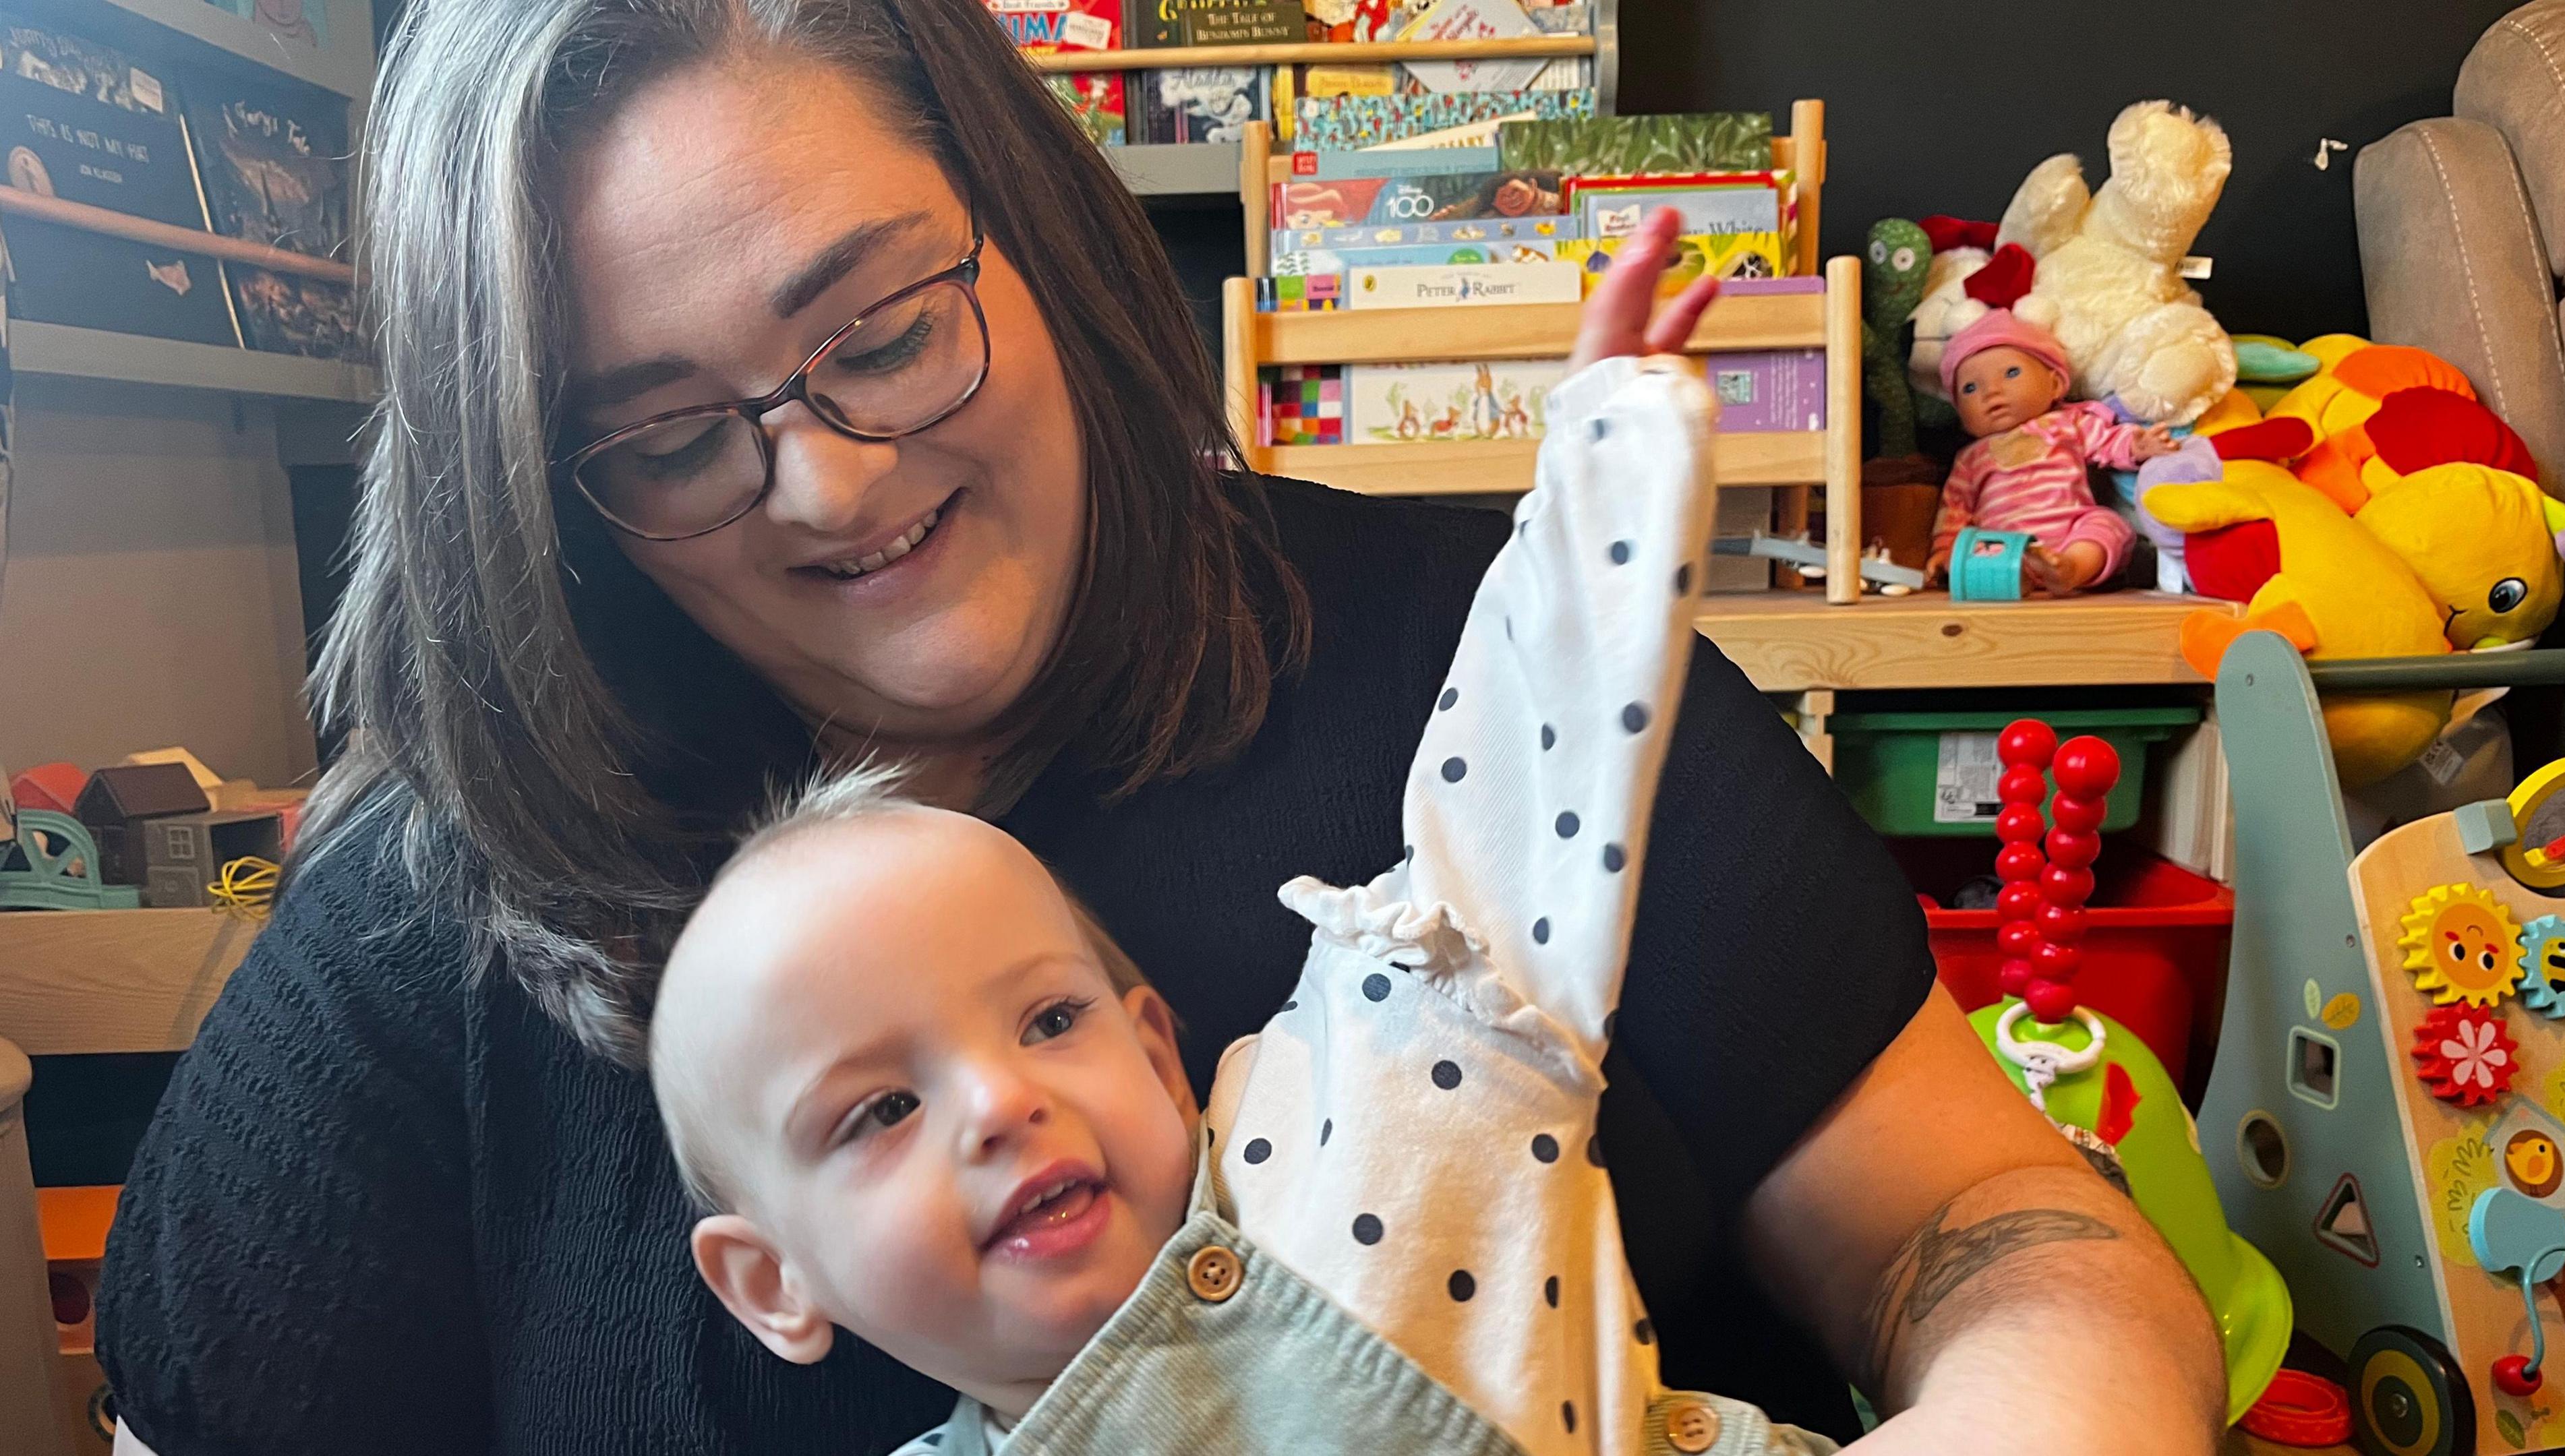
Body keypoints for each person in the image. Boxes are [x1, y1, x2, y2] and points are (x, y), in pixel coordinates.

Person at [96, 1, 2224, 1451]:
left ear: (1034, 239)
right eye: (660, 440)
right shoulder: (433, 915)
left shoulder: (1479, 676)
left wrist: (2044, 1399)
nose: (832, 482)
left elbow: (1990, 1233)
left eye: (883, 330)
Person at [653, 354, 1841, 1454]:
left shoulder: (1359, 1122)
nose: (1004, 1103)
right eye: (881, 1112)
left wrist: (1609, 468)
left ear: (1163, 1062)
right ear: (773, 1285)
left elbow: (1518, 813)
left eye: (1053, 1022)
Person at [1926, 310, 2180, 596]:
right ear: (1961, 415)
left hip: (2073, 534)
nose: (1991, 392)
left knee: (2109, 524)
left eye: (2011, 373)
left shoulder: (2069, 423)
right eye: (1970, 388)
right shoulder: (1970, 458)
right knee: (1977, 549)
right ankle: (2017, 577)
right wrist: (1946, 550)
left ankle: (2071, 569)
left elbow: (2107, 442)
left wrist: (2139, 446)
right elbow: (1955, 510)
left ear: (2055, 384)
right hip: (2003, 547)